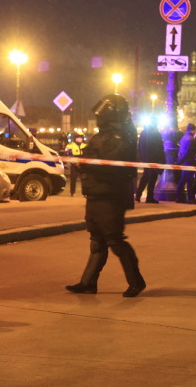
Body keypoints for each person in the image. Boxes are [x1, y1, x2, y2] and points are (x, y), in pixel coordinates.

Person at [65, 94, 145, 297]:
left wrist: (86, 162)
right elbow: (94, 157)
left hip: (111, 195)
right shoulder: (103, 135)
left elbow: (111, 164)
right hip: (96, 193)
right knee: (97, 241)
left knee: (114, 240)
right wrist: (83, 161)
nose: (98, 118)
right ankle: (88, 283)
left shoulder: (122, 137)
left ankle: (136, 282)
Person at [135, 117, 165, 203]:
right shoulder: (156, 134)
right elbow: (159, 148)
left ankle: (138, 195)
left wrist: (143, 157)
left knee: (146, 177)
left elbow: (140, 146)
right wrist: (162, 159)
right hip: (154, 159)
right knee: (152, 178)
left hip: (146, 159)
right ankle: (149, 197)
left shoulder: (144, 133)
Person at [176, 123, 196, 204]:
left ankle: (178, 197)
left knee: (183, 180)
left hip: (184, 162)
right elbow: (188, 151)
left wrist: (180, 161)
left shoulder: (183, 138)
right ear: (192, 130)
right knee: (190, 181)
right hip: (189, 161)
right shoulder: (191, 139)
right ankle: (190, 198)